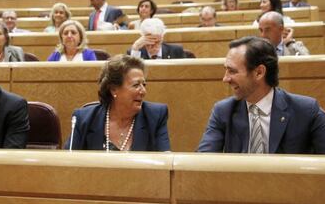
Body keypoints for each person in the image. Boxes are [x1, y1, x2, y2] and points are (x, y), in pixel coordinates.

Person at [197, 36, 325, 154]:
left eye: (232, 71)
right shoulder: (223, 111)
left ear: (259, 72)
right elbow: (202, 164)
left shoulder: (306, 111)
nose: (225, 79)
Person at [64, 54, 170, 151]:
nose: (143, 91)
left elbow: (165, 162)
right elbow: (67, 163)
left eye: (144, 85)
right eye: (136, 85)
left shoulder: (155, 116)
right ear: (114, 89)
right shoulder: (84, 119)